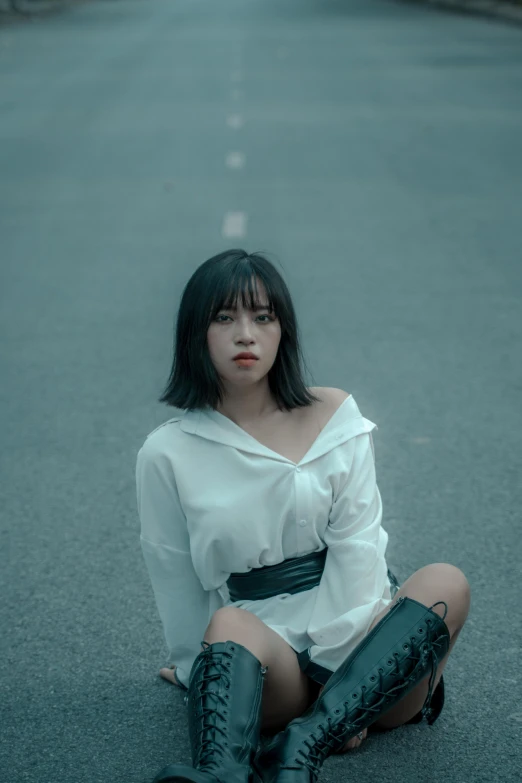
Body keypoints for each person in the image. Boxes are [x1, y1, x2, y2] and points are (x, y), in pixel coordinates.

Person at [136, 249, 471, 783]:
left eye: (262, 317)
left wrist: (344, 687)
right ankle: (221, 773)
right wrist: (192, 666)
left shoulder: (335, 414)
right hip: (272, 666)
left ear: (282, 331)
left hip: (372, 660)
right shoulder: (168, 452)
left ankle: (305, 744)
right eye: (224, 318)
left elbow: (359, 550)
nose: (246, 334)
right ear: (195, 334)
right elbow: (173, 574)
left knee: (445, 582)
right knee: (227, 622)